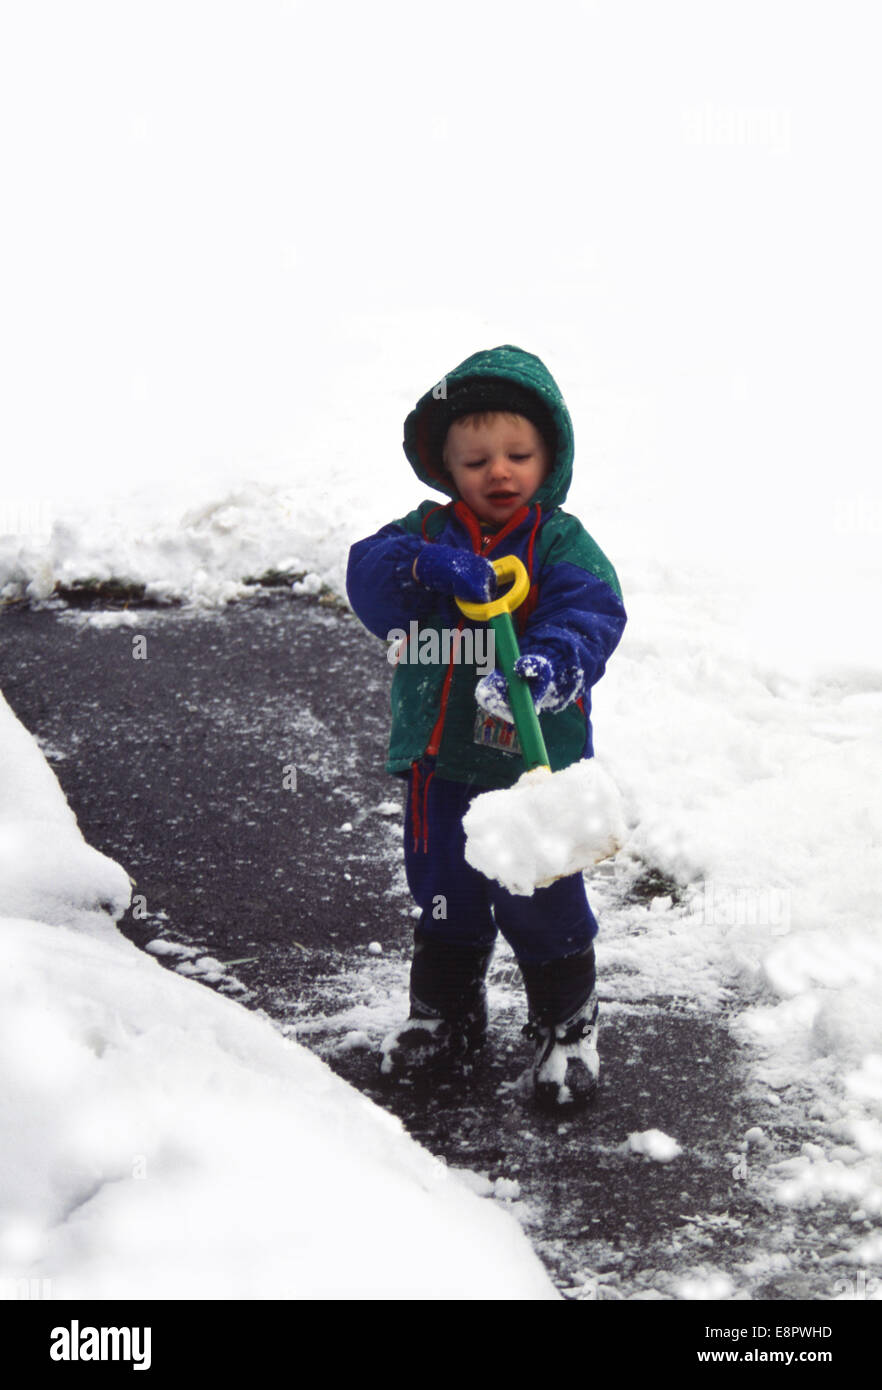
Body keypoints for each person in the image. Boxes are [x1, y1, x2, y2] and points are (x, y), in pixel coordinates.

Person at [346, 345, 626, 1108]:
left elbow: (590, 613)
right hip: (439, 764)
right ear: (446, 466)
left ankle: (568, 1028)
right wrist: (422, 567)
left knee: (542, 902)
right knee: (443, 897)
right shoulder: (426, 532)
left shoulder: (561, 544)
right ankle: (444, 1016)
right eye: (475, 461)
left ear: (549, 457)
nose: (498, 472)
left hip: (528, 769)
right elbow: (368, 578)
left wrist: (547, 666)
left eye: (518, 455)